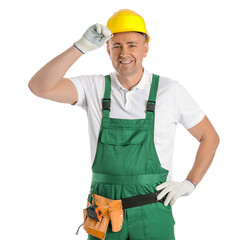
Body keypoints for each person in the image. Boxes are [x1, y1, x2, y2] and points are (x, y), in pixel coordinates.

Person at [28, 9, 220, 240]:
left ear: (145, 48)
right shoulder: (94, 88)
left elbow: (209, 137)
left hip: (153, 210)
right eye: (116, 45)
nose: (124, 52)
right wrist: (80, 47)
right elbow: (39, 87)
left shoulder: (170, 91)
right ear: (107, 49)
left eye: (132, 44)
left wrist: (190, 183)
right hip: (104, 215)